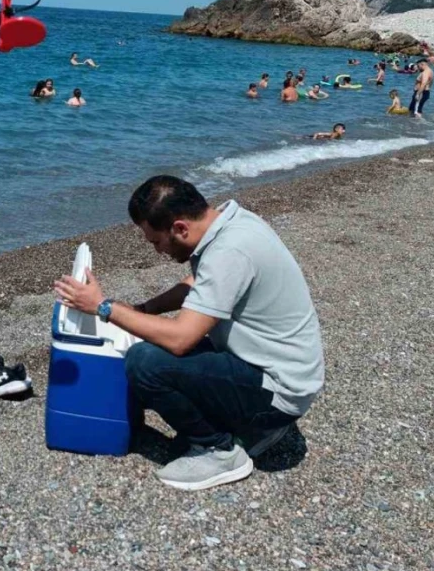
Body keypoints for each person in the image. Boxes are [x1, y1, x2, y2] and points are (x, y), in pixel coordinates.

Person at [53, 176, 324, 491]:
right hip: (279, 371)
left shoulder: (230, 250)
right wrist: (143, 309)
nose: (157, 251)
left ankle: (220, 450)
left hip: (279, 392)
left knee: (144, 360)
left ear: (180, 228)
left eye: (156, 241)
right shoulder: (229, 222)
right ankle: (251, 427)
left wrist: (103, 307)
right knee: (145, 331)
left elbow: (181, 340)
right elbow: (199, 283)